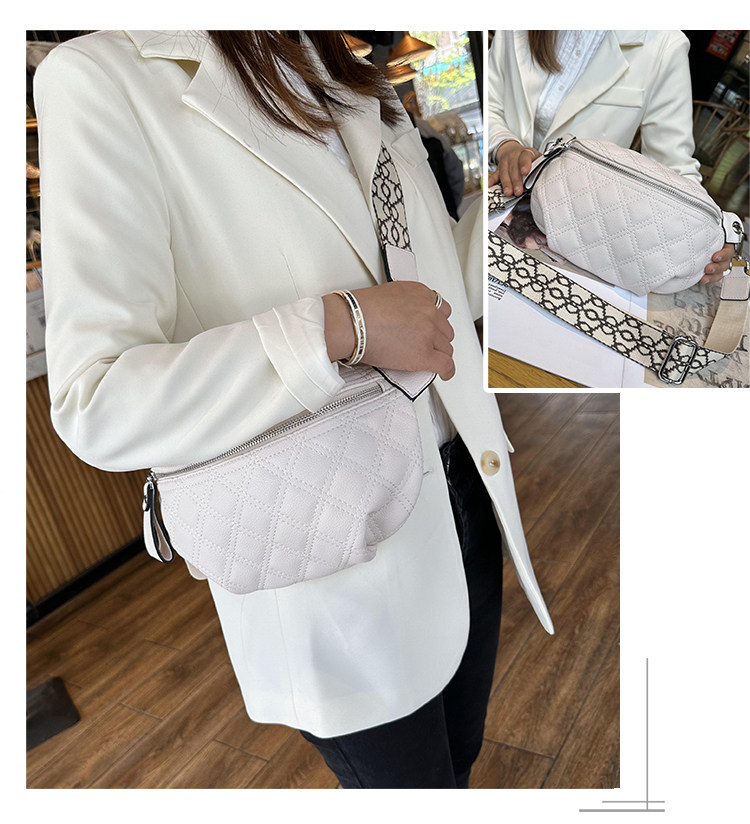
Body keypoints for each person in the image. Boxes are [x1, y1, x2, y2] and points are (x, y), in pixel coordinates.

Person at [34, 30, 554, 789]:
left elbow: (429, 280)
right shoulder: (103, 77)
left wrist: (524, 212)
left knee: (460, 756)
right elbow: (97, 398)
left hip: (463, 493)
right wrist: (339, 327)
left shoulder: (337, 65)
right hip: (330, 552)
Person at [487, 30, 735, 285]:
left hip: (581, 230)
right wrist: (506, 145)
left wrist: (714, 230)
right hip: (497, 193)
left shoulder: (663, 43)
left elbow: (673, 167)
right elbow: (489, 101)